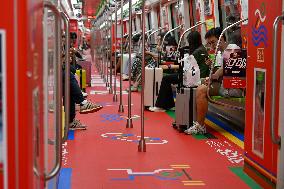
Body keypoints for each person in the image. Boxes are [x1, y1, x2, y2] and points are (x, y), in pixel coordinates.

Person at [185, 27, 243, 135]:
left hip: (233, 87)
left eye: (213, 42)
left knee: (201, 90)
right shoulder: (221, 53)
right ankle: (194, 121)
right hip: (225, 84)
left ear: (222, 39)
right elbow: (222, 71)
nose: (212, 46)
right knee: (196, 83)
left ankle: (200, 125)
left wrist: (214, 76)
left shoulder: (232, 48)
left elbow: (227, 70)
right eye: (209, 44)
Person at [149, 31, 209, 112]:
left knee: (166, 79)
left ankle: (162, 105)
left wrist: (169, 66)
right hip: (192, 74)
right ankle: (167, 104)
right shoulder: (200, 49)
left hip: (194, 77)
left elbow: (186, 64)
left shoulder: (198, 52)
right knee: (168, 78)